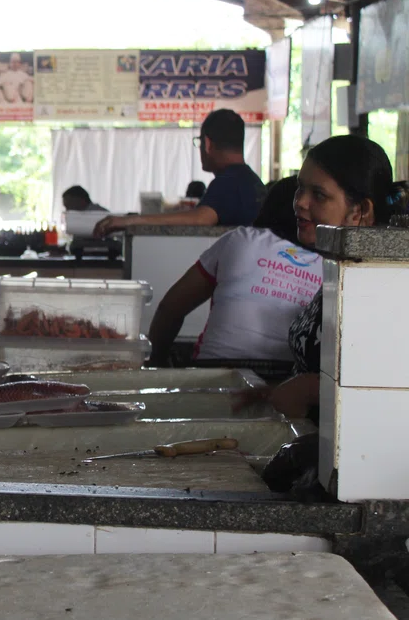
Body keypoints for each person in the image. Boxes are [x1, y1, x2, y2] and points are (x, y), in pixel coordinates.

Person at [242, 136, 402, 423]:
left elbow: (382, 382)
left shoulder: (378, 280)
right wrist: (276, 392)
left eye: (319, 195)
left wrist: (307, 390)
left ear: (360, 211)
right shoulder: (340, 265)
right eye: (300, 188)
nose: (300, 202)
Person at [146, 177, 322, 368]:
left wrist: (157, 361)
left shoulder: (241, 239)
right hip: (289, 381)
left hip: (216, 371)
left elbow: (171, 308)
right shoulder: (331, 265)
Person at [95, 109, 263, 236]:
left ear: (207, 143)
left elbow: (200, 219)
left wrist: (131, 221)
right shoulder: (253, 181)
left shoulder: (228, 181)